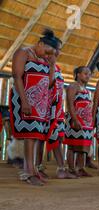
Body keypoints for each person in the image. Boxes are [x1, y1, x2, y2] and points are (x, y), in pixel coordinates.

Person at [9, 29, 58, 186]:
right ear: (40, 43)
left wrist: (52, 65)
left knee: (37, 135)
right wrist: (24, 101)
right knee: (30, 135)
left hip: (40, 103)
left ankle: (34, 169)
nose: (47, 55)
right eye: (47, 51)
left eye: (51, 54)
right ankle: (28, 171)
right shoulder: (23, 52)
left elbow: (49, 83)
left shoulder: (43, 59)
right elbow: (17, 77)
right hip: (25, 99)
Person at [36, 39, 77, 180]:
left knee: (58, 137)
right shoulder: (41, 63)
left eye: (59, 49)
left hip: (57, 108)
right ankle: (38, 167)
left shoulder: (57, 67)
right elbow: (48, 83)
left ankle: (61, 168)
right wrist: (52, 65)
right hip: (44, 107)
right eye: (56, 49)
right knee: (40, 138)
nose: (58, 52)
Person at [64, 66, 94, 177]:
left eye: (89, 74)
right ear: (78, 74)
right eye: (85, 73)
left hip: (86, 122)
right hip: (75, 119)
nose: (88, 76)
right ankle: (71, 168)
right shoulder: (73, 86)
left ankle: (81, 168)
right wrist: (75, 119)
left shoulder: (86, 90)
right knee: (72, 145)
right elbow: (70, 104)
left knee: (83, 146)